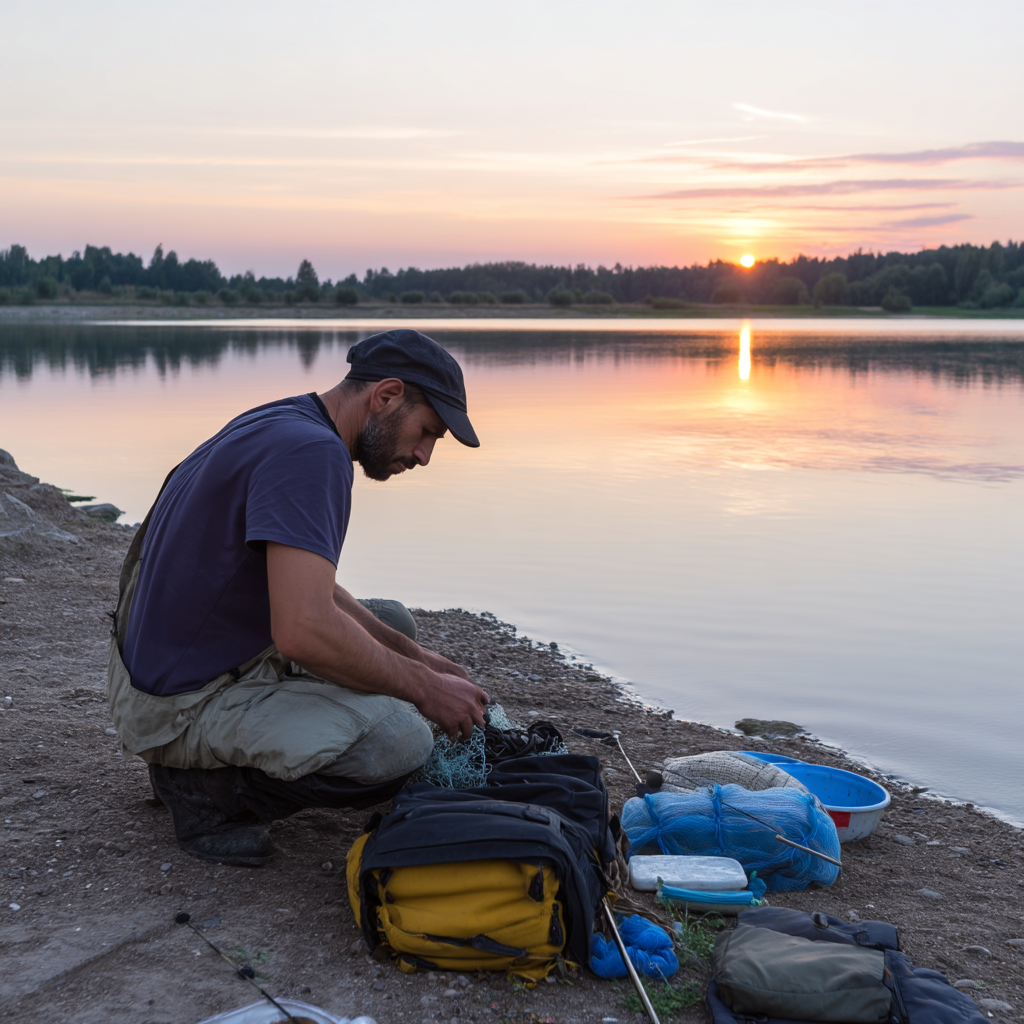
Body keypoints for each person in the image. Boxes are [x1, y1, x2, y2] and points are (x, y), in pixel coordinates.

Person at [107, 329, 490, 866]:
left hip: (164, 667)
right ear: (386, 396)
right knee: (399, 743)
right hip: (176, 703)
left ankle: (208, 758)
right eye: (427, 432)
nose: (424, 455)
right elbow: (302, 628)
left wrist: (419, 660)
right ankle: (201, 792)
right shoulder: (313, 455)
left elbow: (307, 585)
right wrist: (425, 690)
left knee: (395, 624)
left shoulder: (286, 420)